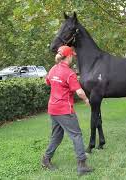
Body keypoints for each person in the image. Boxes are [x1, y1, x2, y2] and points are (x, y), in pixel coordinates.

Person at [41, 45, 93, 176]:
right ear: (69, 56)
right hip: (64, 110)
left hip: (53, 109)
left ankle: (46, 159)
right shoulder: (69, 73)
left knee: (57, 136)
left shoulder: (53, 69)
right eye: (72, 56)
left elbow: (48, 82)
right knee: (76, 135)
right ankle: (82, 164)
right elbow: (80, 92)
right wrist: (87, 100)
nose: (73, 58)